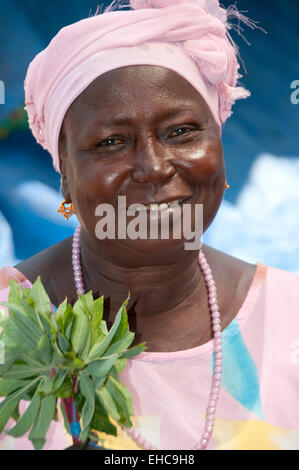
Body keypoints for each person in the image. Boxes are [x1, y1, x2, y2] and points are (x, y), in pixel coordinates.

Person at [1, 0, 299, 451]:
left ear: (219, 141)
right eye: (111, 142)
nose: (154, 167)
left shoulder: (289, 317)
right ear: (63, 174)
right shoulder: (9, 327)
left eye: (181, 132)